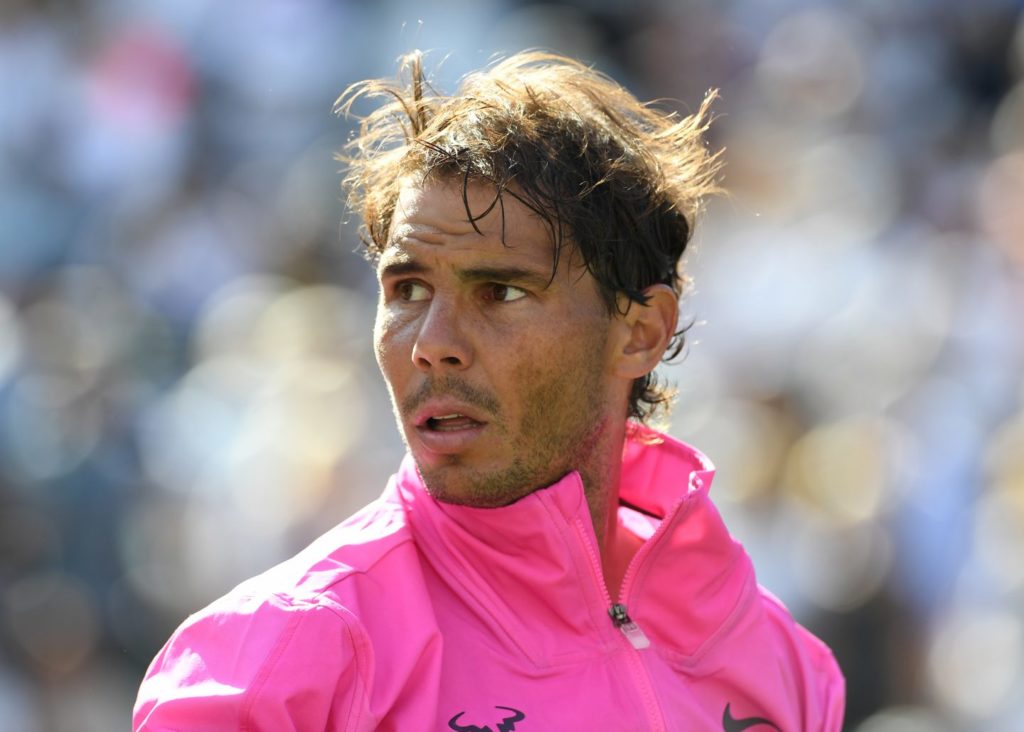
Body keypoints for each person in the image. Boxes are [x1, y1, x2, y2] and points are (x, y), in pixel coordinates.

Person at [133, 51, 844, 731]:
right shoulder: (282, 658)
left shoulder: (779, 660)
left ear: (639, 333)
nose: (432, 342)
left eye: (500, 291)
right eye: (408, 290)